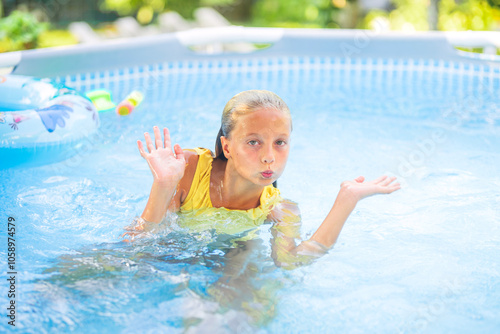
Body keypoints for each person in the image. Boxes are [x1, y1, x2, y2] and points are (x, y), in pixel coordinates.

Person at [125, 90, 400, 260]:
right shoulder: (187, 169)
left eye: (279, 142)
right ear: (227, 147)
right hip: (172, 257)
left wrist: (347, 199)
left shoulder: (280, 209)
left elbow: (292, 261)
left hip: (232, 258)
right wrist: (163, 184)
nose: (269, 156)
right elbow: (141, 243)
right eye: (254, 142)